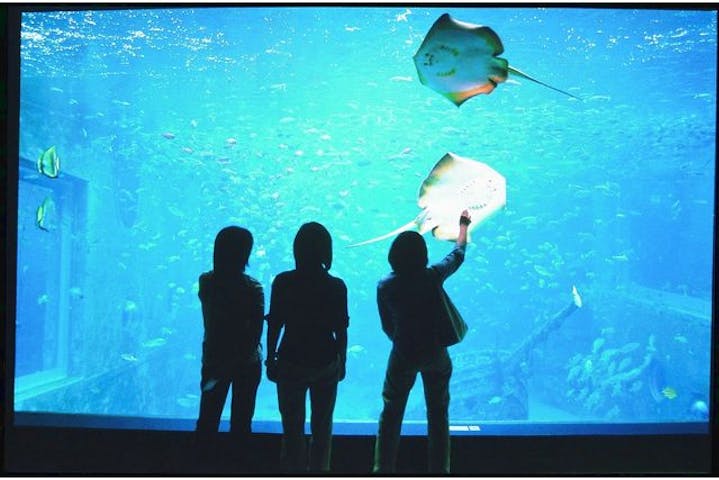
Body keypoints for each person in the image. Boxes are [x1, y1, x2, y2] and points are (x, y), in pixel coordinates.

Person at [373, 210, 472, 474]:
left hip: (403, 352)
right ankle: (440, 470)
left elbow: (386, 324)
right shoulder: (431, 276)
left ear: (393, 257)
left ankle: (382, 469)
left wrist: (401, 341)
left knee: (391, 412)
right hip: (435, 353)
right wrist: (463, 226)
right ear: (423, 256)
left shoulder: (385, 285)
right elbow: (457, 255)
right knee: (438, 414)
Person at [265, 222, 349, 473]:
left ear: (297, 249)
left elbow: (275, 325)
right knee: (322, 429)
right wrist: (342, 362)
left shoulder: (283, 282)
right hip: (325, 361)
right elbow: (341, 330)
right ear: (327, 251)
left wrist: (271, 359)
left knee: (291, 429)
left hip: (291, 361)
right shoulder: (336, 286)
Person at [196, 226, 264, 438]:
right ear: (245, 254)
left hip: (214, 360)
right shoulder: (254, 288)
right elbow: (256, 332)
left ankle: (201, 464)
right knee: (242, 424)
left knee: (207, 420)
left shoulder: (206, 282)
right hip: (247, 363)